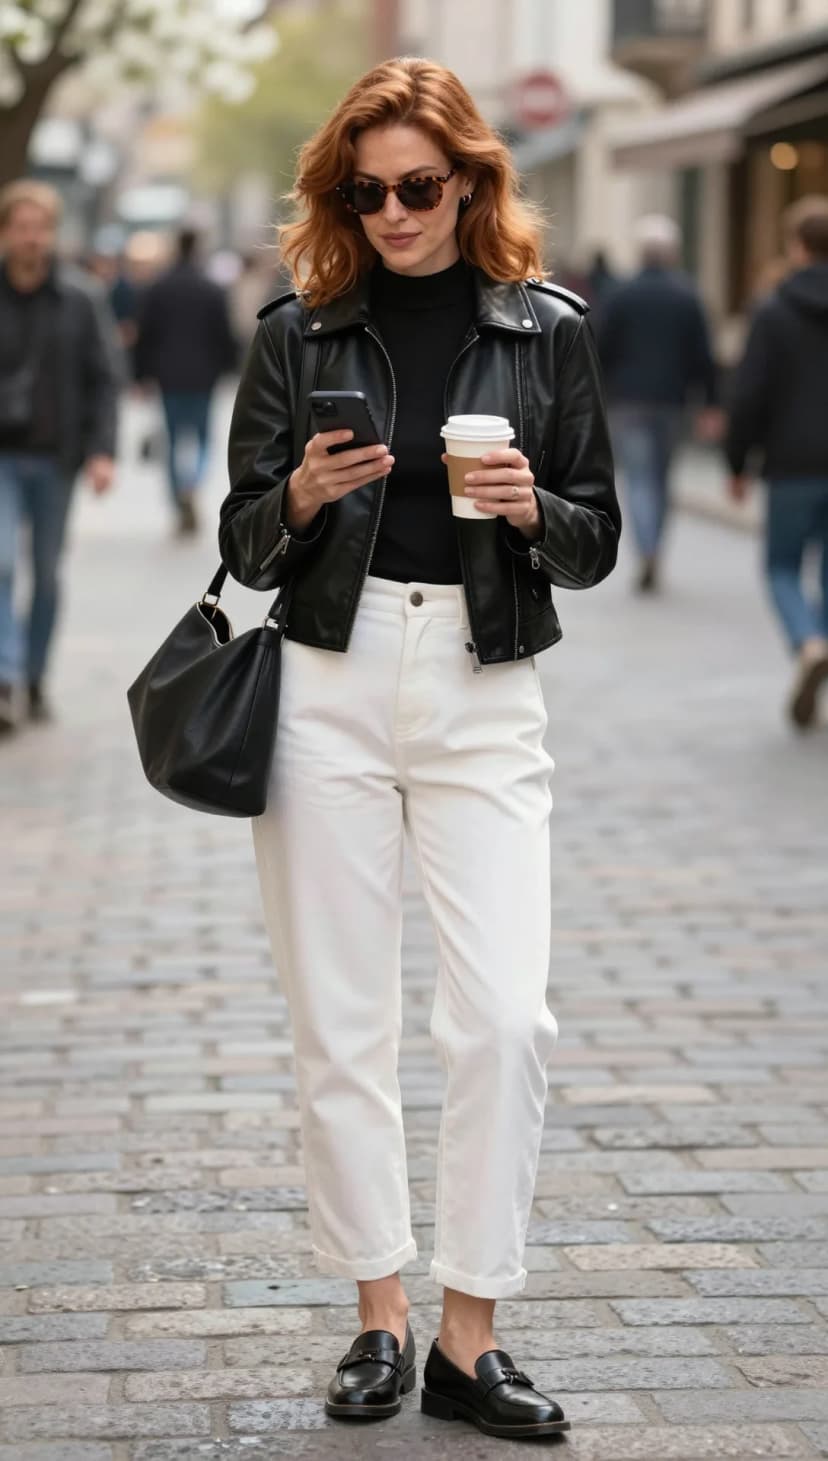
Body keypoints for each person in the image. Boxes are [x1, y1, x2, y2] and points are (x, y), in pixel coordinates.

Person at [219, 57, 620, 1438]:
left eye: (417, 187)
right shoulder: (296, 334)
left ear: (469, 182)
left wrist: (527, 510)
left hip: (481, 677)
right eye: (365, 189)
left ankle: (473, 1334)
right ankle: (382, 1320)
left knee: (506, 1017)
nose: (391, 211)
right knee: (342, 1019)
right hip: (328, 676)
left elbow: (598, 537)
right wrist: (302, 496)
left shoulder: (550, 332)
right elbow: (239, 537)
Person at [0, 180, 119, 734]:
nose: (31, 239)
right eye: (21, 228)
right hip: (3, 456)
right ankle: (4, 675)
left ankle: (34, 676)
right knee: (1, 565)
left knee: (45, 575)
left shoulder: (80, 297)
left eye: (40, 228)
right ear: (5, 233)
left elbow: (105, 378)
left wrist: (102, 452)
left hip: (56, 457)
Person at [726, 195, 828, 729]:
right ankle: (823, 639)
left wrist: (737, 462)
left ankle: (808, 643)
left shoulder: (774, 309)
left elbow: (750, 393)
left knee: (782, 566)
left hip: (791, 463)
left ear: (797, 246)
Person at [597, 214, 721, 592]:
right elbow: (703, 355)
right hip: (672, 401)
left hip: (628, 401)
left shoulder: (621, 294)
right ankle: (655, 549)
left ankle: (646, 548)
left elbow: (599, 348)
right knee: (661, 478)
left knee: (638, 478)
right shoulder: (688, 296)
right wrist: (711, 403)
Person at [134, 227, 237, 535]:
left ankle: (179, 492)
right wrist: (229, 368)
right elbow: (225, 333)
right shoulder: (212, 288)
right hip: (204, 376)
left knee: (173, 439)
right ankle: (193, 483)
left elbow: (145, 334)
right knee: (203, 438)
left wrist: (139, 375)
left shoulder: (158, 287)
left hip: (167, 375)